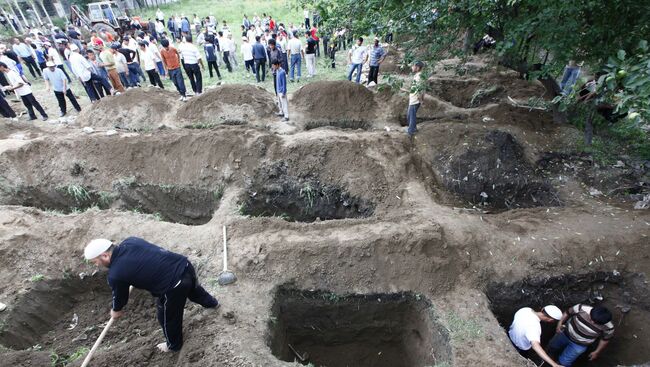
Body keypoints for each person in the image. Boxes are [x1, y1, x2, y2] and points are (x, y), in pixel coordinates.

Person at [83, 237, 219, 353]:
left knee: (167, 316)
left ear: (105, 256)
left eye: (96, 262)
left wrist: (116, 310)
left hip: (173, 285)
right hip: (184, 265)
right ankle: (212, 303)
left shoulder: (115, 274)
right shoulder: (131, 241)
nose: (97, 265)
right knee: (193, 290)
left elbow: (120, 296)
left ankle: (173, 346)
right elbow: (146, 259)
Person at [548, 304, 615, 366]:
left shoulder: (609, 327)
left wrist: (596, 352)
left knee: (564, 362)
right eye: (591, 319)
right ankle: (548, 357)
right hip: (565, 334)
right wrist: (559, 323)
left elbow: (605, 339)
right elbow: (567, 313)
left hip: (580, 345)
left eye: (596, 323)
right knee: (552, 347)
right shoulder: (581, 308)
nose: (592, 322)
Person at [406, 61, 425, 136]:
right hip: (414, 99)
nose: (411, 67)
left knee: (411, 116)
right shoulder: (418, 75)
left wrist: (420, 100)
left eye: (413, 66)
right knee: (410, 115)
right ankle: (414, 129)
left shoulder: (419, 77)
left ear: (417, 67)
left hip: (415, 100)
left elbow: (419, 90)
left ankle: (411, 132)